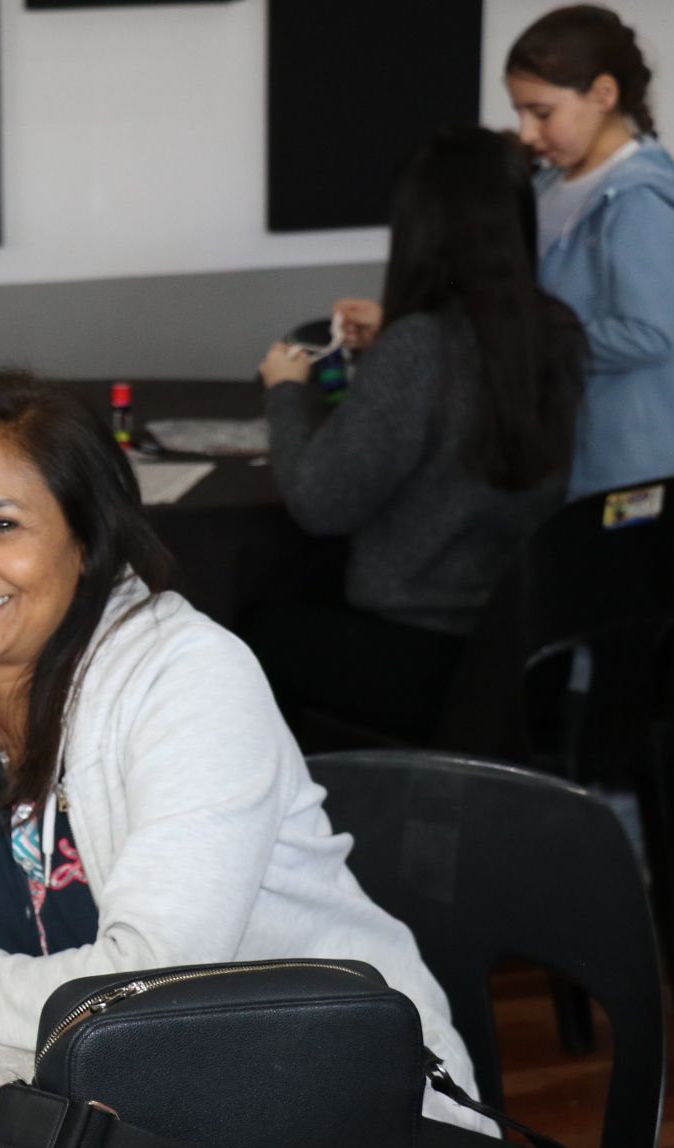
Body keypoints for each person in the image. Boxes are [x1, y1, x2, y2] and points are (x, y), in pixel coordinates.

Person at [0, 373, 491, 1130]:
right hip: (113, 1115)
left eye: (1, 526)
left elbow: (152, 982)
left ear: (86, 536)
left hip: (331, 1107)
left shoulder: (189, 675)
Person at [246, 125, 586, 742]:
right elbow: (466, 371)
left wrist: (287, 391)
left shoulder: (420, 349)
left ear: (422, 229)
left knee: (242, 633)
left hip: (419, 651)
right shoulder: (555, 332)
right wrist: (399, 335)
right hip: (515, 638)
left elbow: (320, 502)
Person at [336, 6, 674, 499]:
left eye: (542, 113)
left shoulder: (638, 202)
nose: (525, 134)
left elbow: (646, 335)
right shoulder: (546, 185)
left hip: (616, 468)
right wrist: (404, 326)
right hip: (553, 450)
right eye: (520, 112)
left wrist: (519, 343)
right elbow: (510, 301)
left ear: (603, 95)